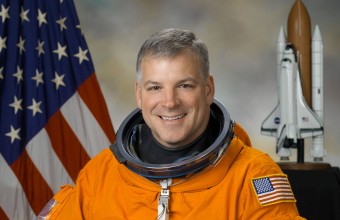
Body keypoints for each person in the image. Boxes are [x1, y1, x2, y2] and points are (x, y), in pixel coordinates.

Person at [39, 28, 305, 219]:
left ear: (208, 89)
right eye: (155, 87)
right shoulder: (100, 176)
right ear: (139, 94)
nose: (169, 102)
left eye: (184, 85)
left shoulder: (252, 176)